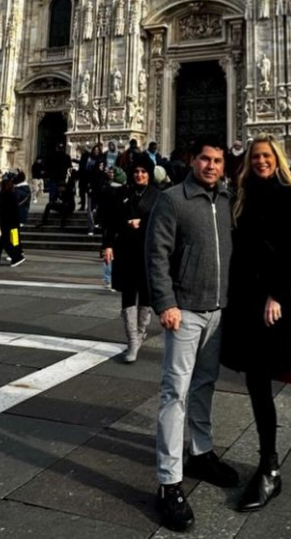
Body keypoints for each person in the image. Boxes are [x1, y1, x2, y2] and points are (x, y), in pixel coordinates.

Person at [145, 137, 238, 531]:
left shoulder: (226, 201)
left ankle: (200, 452)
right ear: (192, 161)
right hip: (183, 311)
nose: (211, 165)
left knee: (205, 385)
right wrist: (165, 303)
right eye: (205, 159)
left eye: (217, 160)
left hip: (218, 309)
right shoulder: (172, 199)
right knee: (175, 392)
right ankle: (169, 482)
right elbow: (156, 254)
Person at [220, 135, 291, 511]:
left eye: (267, 156)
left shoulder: (289, 196)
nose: (261, 161)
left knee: (262, 379)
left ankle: (269, 467)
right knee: (256, 383)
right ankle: (267, 464)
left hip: (271, 301)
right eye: (255, 156)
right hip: (242, 299)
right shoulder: (240, 196)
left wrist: (275, 294)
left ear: (277, 159)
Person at [102, 156, 160, 363]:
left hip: (147, 251)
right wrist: (107, 245)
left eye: (143, 171)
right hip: (125, 249)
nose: (139, 175)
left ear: (150, 174)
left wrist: (143, 223)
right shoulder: (122, 193)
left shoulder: (158, 196)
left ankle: (141, 332)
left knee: (145, 295)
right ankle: (132, 340)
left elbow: (164, 225)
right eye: (136, 171)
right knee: (128, 294)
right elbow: (111, 221)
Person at [0, 173, 26, 267]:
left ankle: (16, 256)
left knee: (3, 240)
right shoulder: (11, 194)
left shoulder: (5, 196)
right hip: (13, 222)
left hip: (6, 223)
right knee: (3, 241)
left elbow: (1, 210)